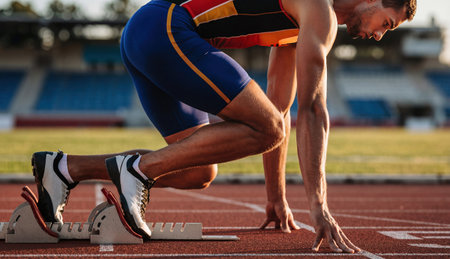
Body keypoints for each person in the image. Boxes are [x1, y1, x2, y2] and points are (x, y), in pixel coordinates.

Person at [32, 0, 416, 253]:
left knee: (197, 171)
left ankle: (65, 169)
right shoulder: (320, 11)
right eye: (387, 22)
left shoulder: (297, 27)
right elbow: (314, 109)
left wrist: (276, 198)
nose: (379, 34)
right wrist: (319, 205)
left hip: (149, 36)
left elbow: (279, 109)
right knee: (266, 127)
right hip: (165, 27)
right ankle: (139, 171)